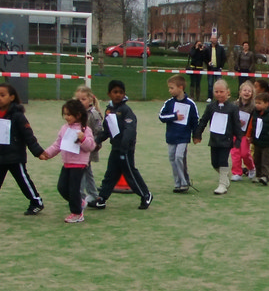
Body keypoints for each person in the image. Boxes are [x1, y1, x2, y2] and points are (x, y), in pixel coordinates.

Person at [0, 82, 45, 218]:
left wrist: (38, 152)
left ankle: (36, 202)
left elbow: (28, 135)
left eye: (2, 95)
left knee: (23, 181)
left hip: (15, 157)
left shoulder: (18, 116)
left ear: (11, 97)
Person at [92, 79, 153, 210]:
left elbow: (129, 130)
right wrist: (96, 140)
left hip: (125, 149)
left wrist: (124, 146)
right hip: (115, 148)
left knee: (130, 173)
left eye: (121, 92)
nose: (118, 95)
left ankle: (146, 195)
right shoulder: (109, 110)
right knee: (110, 174)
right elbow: (107, 130)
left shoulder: (126, 110)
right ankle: (101, 199)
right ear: (109, 94)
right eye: (115, 92)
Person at [39, 98, 97, 223]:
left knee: (73, 189)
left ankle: (77, 213)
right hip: (67, 163)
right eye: (65, 114)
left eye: (69, 114)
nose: (66, 117)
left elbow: (91, 146)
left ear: (78, 115)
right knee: (62, 187)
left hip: (79, 164)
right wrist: (47, 153)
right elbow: (57, 144)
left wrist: (83, 139)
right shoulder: (64, 128)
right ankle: (79, 202)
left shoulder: (85, 129)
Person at [194, 78, 243, 195]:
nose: (219, 94)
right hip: (214, 139)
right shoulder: (211, 107)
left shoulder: (233, 108)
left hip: (227, 140)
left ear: (227, 92)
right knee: (214, 163)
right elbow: (203, 121)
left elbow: (237, 125)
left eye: (221, 91)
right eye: (216, 91)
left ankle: (222, 185)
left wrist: (238, 139)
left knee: (222, 161)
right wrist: (197, 134)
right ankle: (225, 178)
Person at [158, 74, 198, 193]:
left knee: (179, 157)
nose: (170, 90)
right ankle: (177, 183)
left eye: (172, 88)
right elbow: (161, 116)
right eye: (169, 88)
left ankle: (185, 182)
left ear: (180, 87)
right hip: (171, 136)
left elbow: (195, 120)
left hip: (183, 136)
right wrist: (174, 116)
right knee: (172, 158)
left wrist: (196, 135)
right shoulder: (169, 103)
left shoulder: (190, 104)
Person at [74, 86, 105, 205]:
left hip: (88, 147)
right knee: (86, 170)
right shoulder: (76, 113)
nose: (80, 102)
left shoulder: (93, 114)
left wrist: (93, 144)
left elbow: (99, 131)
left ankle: (81, 196)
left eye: (83, 99)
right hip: (78, 147)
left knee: (82, 170)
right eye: (78, 99)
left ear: (90, 100)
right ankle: (93, 194)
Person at [247, 92, 269, 185]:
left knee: (265, 160)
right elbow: (251, 125)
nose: (257, 105)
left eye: (259, 103)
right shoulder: (255, 114)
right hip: (256, 141)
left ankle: (265, 176)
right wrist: (248, 135)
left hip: (267, 142)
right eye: (256, 103)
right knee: (256, 159)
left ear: (267, 104)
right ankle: (258, 175)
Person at [231, 81, 257, 181]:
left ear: (252, 93)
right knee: (235, 154)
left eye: (249, 91)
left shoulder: (253, 107)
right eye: (244, 90)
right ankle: (237, 173)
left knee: (245, 153)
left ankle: (251, 168)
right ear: (240, 92)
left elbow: (254, 122)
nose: (246, 92)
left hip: (246, 135)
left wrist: (251, 135)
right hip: (234, 133)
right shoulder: (234, 105)